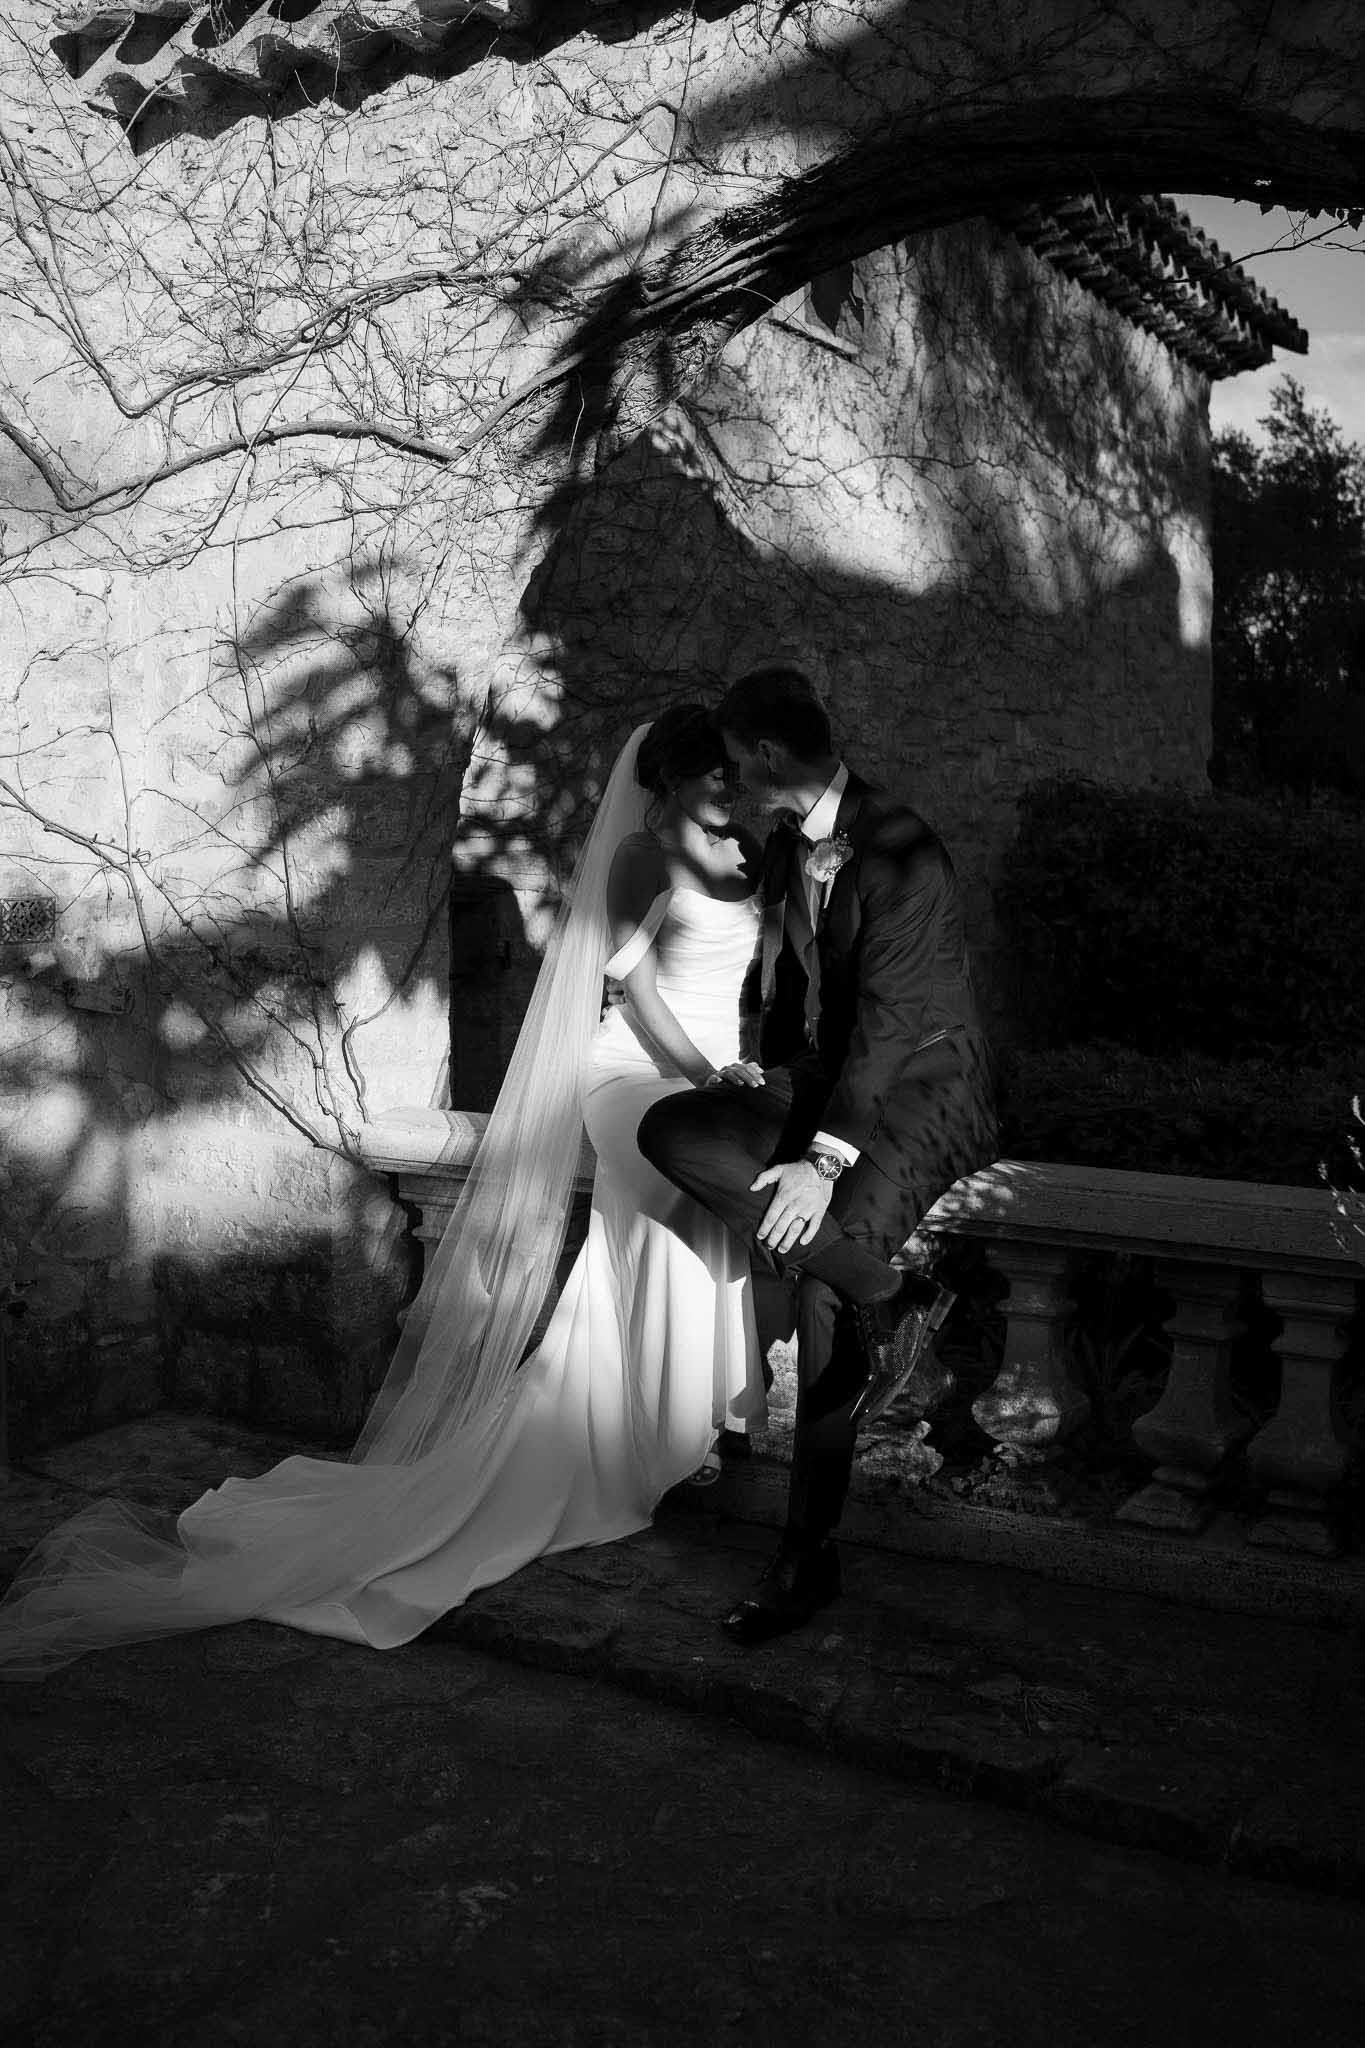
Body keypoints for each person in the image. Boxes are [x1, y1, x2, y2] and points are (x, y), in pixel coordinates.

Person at [0, 707, 768, 1677]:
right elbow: (641, 993)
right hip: (653, 1076)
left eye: (730, 774)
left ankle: (677, 1423)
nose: (727, 786)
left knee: (692, 1242)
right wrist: (710, 1072)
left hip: (713, 1073)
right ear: (672, 777)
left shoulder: (743, 848)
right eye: (712, 772)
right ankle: (646, 1436)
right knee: (661, 1239)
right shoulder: (638, 859)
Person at [638, 664, 997, 1645]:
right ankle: (893, 1290)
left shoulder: (901, 848)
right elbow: (797, 986)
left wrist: (823, 1159)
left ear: (764, 754)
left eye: (731, 761)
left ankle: (806, 1555)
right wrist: (760, 1076)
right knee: (671, 1129)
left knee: (822, 1287)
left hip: (929, 1081)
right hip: (830, 1075)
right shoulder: (794, 842)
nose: (727, 782)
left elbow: (889, 1019)